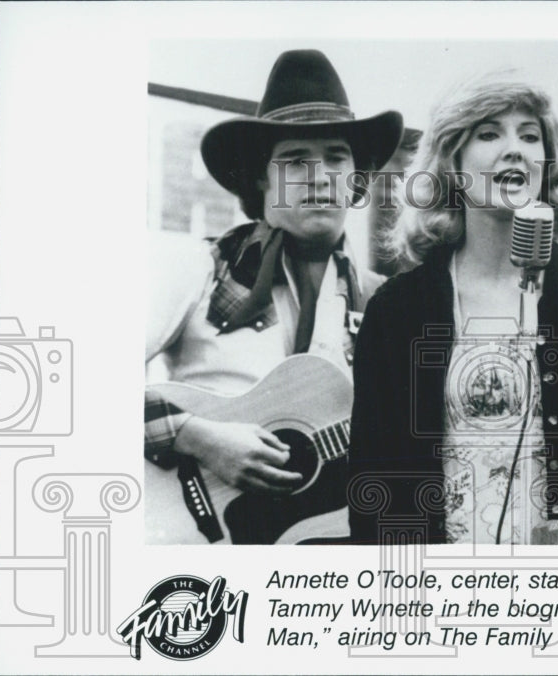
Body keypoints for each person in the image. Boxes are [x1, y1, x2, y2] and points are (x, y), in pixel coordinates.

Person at [347, 73, 558, 545]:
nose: (515, 149)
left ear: (549, 163)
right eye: (489, 134)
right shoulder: (398, 309)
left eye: (529, 135)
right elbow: (372, 492)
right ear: (452, 164)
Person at [144, 50, 403, 544]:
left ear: (356, 180)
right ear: (260, 178)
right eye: (294, 160)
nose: (319, 175)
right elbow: (82, 383)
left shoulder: (384, 302)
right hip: (189, 540)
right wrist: (196, 435)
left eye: (335, 157)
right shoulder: (200, 268)